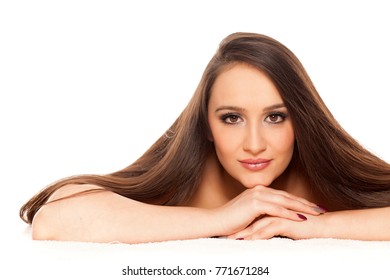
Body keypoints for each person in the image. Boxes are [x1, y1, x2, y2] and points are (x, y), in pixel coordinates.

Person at [20, 32, 390, 243]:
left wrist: (320, 226)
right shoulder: (181, 184)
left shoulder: (324, 185)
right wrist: (221, 219)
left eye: (276, 117)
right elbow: (53, 221)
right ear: (206, 127)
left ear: (301, 122)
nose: (255, 143)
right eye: (232, 118)